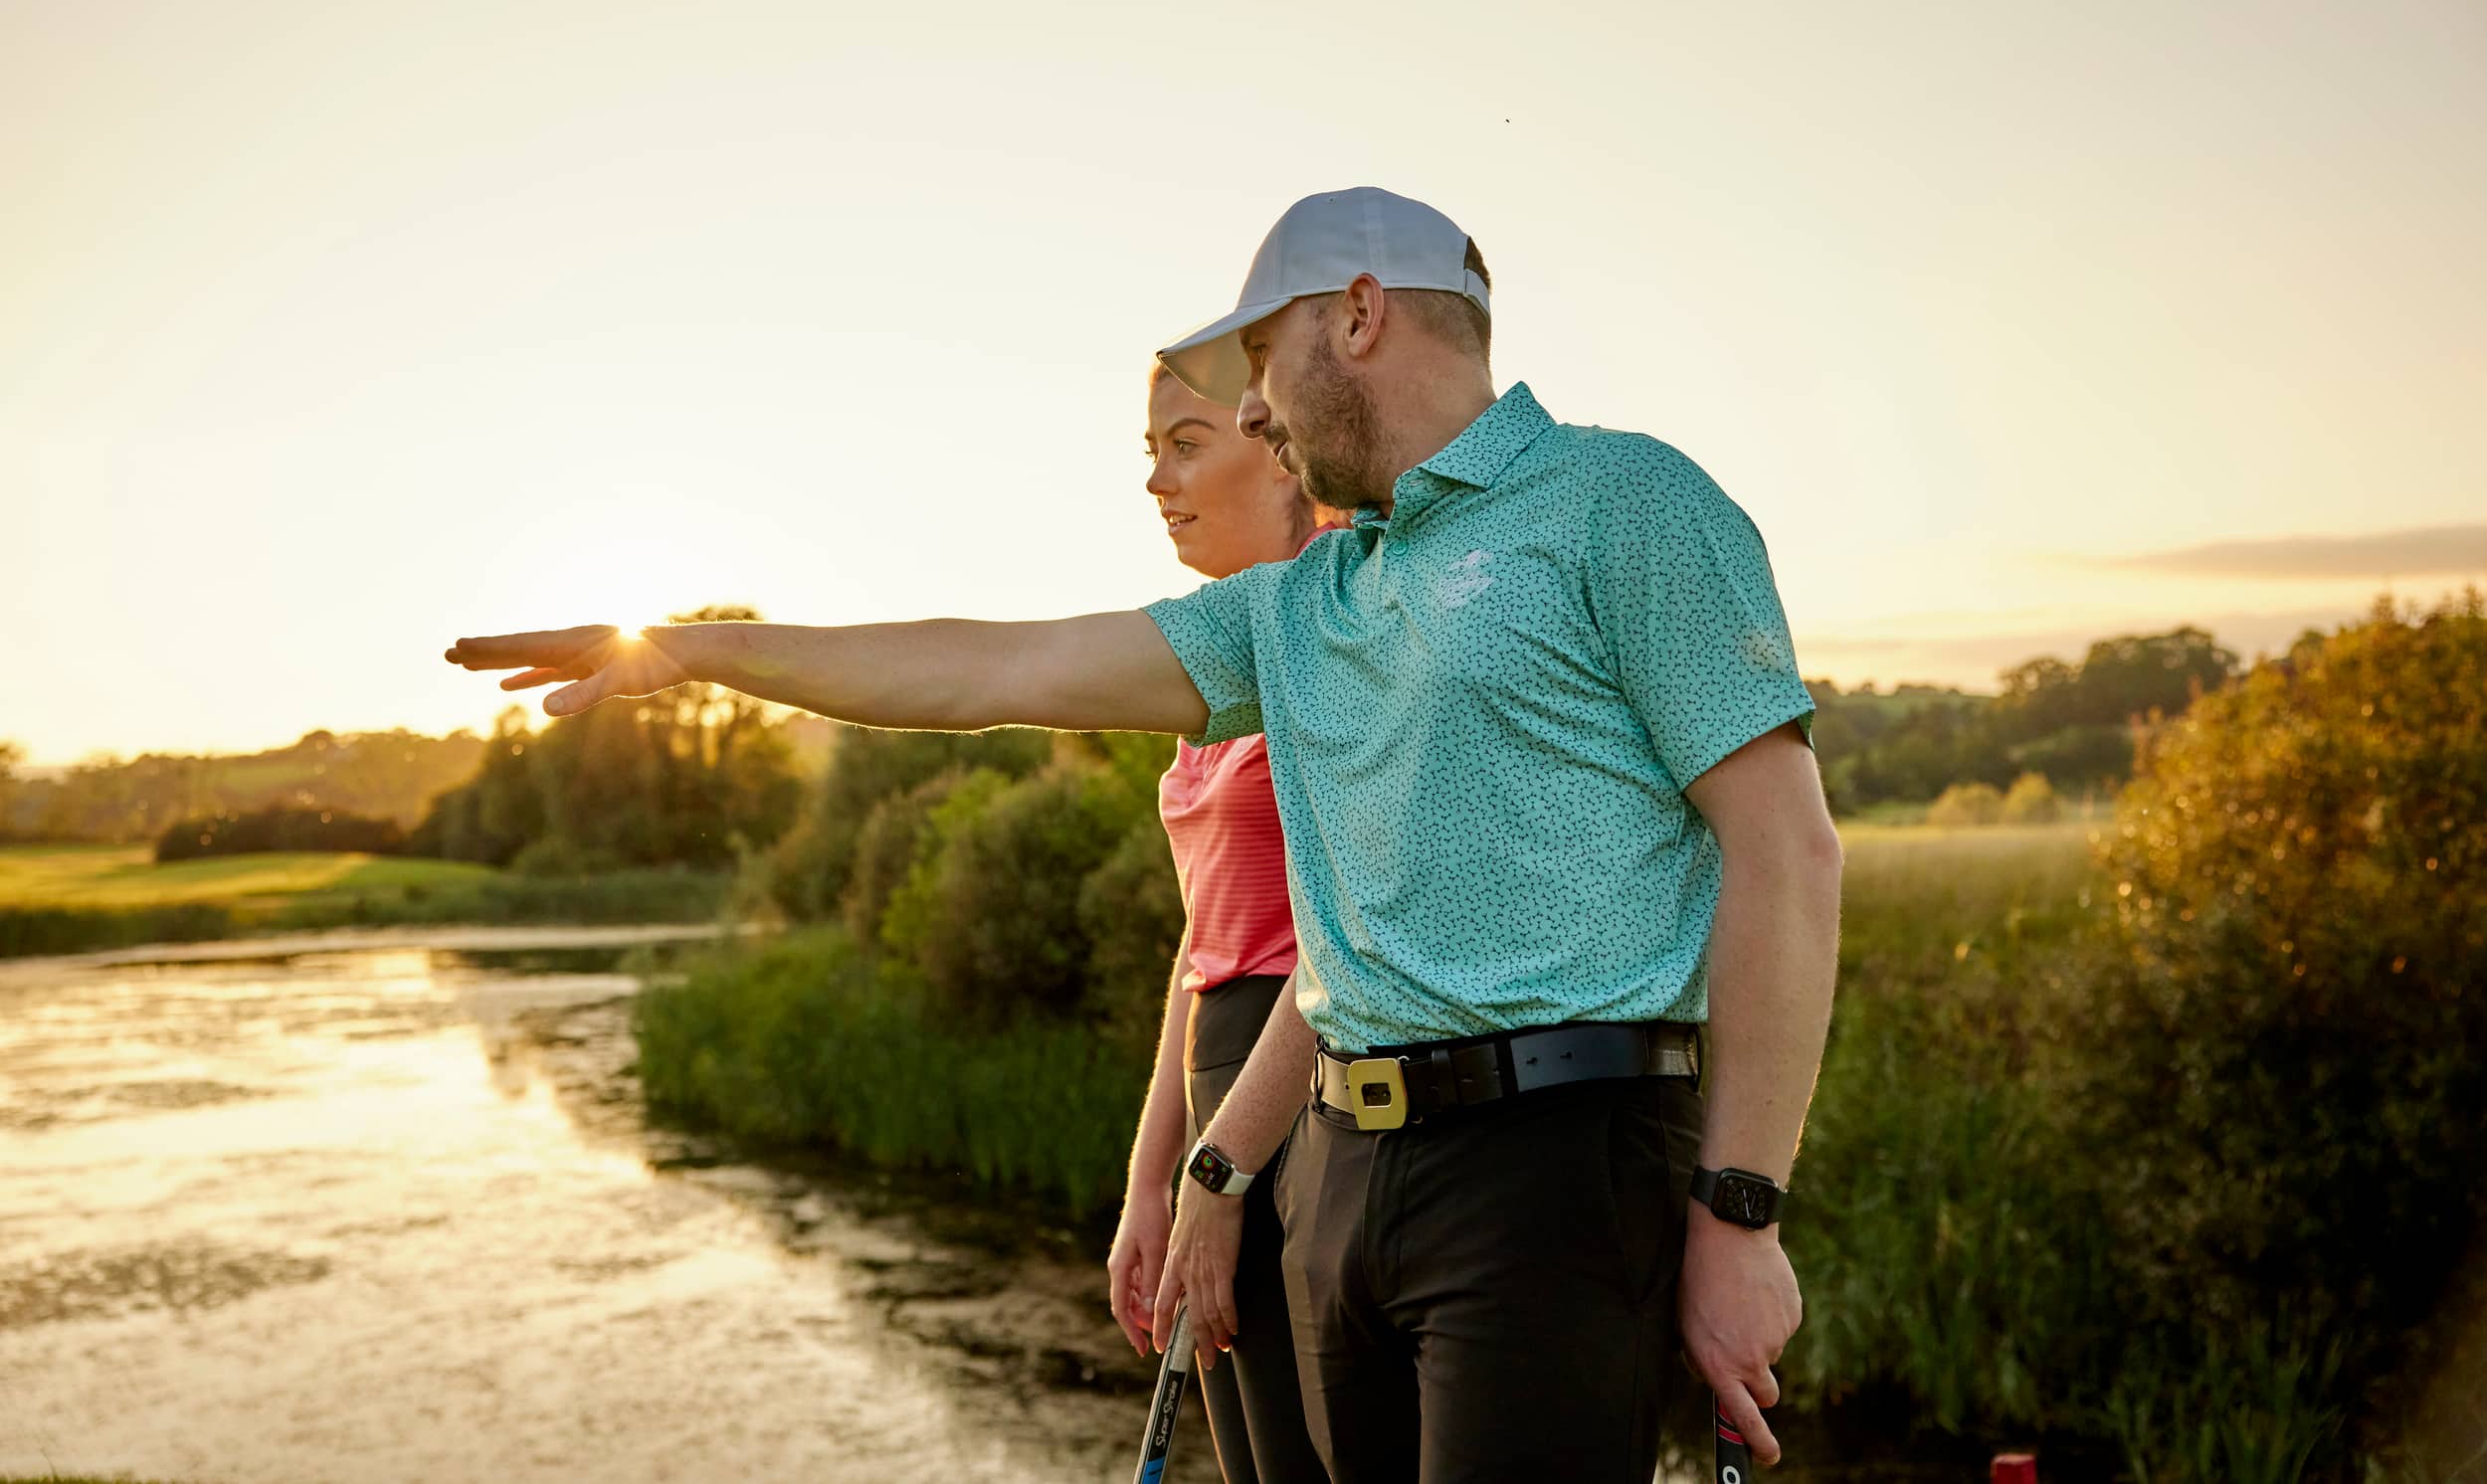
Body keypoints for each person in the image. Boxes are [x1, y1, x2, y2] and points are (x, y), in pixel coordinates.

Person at [445, 186, 1841, 1483]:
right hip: (1346, 1171)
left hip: (1560, 1163)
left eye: (1262, 367)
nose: (1257, 414)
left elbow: (1784, 851)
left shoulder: (1626, 501)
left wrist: (1739, 1210)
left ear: (1357, 315)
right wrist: (693, 650)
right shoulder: (1302, 604)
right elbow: (997, 671)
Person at [1108, 361, 1335, 1483]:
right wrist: (1151, 1179)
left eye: (1185, 442)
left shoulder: (1338, 644)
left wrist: (1225, 1168)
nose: (1157, 479)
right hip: (1216, 1084)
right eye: (1149, 449)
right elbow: (1199, 949)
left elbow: (1344, 944)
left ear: (1274, 440)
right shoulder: (1208, 685)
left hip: (1305, 1092)